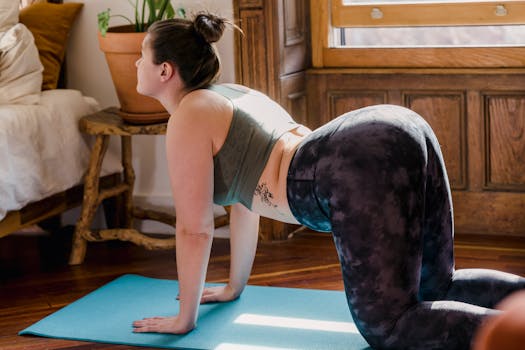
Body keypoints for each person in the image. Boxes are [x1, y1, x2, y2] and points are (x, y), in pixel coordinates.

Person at [130, 12, 525, 349]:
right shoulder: (229, 94)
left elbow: (194, 229)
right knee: (435, 286)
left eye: (141, 56)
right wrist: (234, 288)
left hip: (348, 161)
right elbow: (244, 202)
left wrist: (185, 318)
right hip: (397, 126)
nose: (135, 64)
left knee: (389, 327)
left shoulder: (189, 114)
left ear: (165, 70)